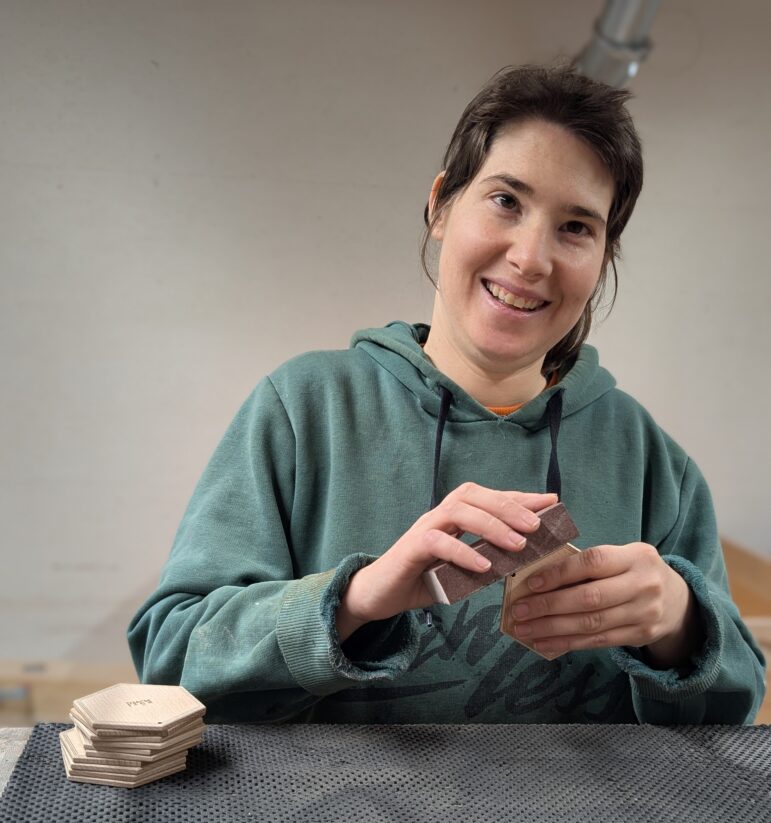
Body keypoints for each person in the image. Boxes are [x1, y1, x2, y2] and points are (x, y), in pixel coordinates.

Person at [128, 64, 765, 726]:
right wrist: (355, 599)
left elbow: (733, 710)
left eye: (575, 226)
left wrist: (679, 624)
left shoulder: (650, 462)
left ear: (601, 259)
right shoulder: (303, 411)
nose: (529, 257)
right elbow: (169, 659)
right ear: (440, 205)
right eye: (504, 201)